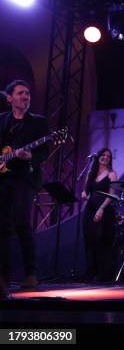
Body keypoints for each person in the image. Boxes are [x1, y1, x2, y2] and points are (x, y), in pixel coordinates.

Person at [0, 80, 49, 288]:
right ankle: (3, 275)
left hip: (25, 178)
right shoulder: (2, 120)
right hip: (3, 178)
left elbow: (44, 152)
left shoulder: (38, 122)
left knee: (22, 223)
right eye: (20, 93)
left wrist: (30, 156)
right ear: (9, 98)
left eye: (27, 93)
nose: (25, 97)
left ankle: (31, 273)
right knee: (2, 227)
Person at [81, 148, 117, 281]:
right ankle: (91, 271)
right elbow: (85, 191)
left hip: (104, 210)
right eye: (103, 155)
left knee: (101, 241)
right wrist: (84, 194)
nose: (105, 157)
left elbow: (111, 195)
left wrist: (101, 209)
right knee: (89, 240)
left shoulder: (112, 174)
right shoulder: (91, 172)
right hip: (90, 208)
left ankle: (102, 273)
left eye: (108, 156)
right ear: (98, 157)